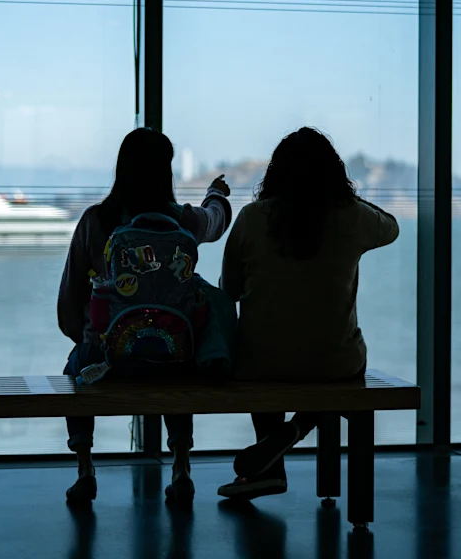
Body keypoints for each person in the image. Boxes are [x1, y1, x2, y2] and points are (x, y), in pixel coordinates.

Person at [216, 127, 399, 500]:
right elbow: (392, 227)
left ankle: (273, 463)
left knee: (264, 351)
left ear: (274, 173)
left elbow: (228, 292)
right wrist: (351, 198)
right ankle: (297, 429)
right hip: (335, 364)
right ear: (334, 174)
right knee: (333, 362)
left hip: (259, 365)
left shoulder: (252, 218)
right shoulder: (353, 217)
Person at [58, 127, 232, 503]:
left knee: (75, 370)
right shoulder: (182, 220)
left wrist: (90, 338)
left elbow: (68, 306)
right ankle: (181, 466)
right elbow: (216, 221)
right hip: (174, 355)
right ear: (166, 172)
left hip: (106, 357)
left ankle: (85, 467)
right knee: (181, 360)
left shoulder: (95, 221)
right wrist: (217, 194)